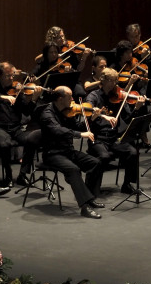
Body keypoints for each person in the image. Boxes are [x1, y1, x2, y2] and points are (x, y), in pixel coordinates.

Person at [38, 86, 105, 219]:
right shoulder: (47, 114)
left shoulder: (67, 111)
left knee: (95, 163)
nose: (73, 99)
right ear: (61, 98)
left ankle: (89, 197)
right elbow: (58, 131)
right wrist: (80, 134)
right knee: (73, 169)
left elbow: (78, 127)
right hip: (53, 154)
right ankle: (85, 207)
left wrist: (92, 119)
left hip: (67, 151)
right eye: (70, 96)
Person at [85, 68, 149, 198]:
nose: (116, 84)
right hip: (97, 138)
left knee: (132, 152)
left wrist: (136, 109)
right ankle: (91, 188)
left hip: (114, 138)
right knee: (104, 156)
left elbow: (127, 118)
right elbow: (89, 109)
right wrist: (100, 114)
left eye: (116, 80)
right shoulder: (94, 95)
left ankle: (127, 185)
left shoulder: (119, 96)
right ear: (104, 81)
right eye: (112, 81)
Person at [0, 62, 39, 187]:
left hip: (16, 128)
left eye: (12, 75)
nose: (11, 78)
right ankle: (8, 175)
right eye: (8, 76)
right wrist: (3, 97)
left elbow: (26, 111)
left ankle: (22, 175)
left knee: (32, 140)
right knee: (5, 144)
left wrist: (34, 99)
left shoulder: (17, 90)